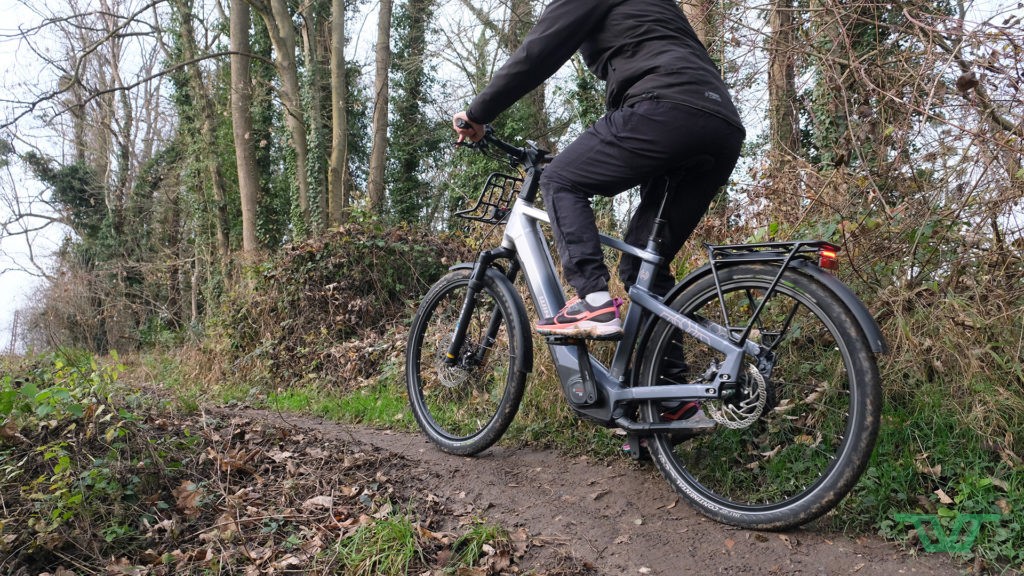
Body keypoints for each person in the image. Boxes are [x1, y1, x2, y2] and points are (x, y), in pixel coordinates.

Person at [453, 0, 745, 339]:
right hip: (722, 125)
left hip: (665, 107)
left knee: (561, 179)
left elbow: (538, 53)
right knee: (643, 269)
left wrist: (478, 113)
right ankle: (672, 390)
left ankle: (594, 301)